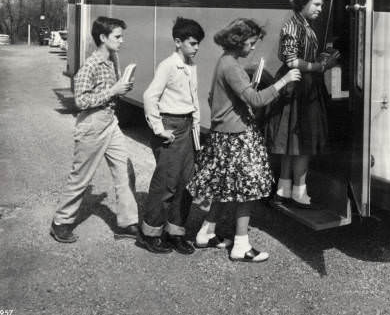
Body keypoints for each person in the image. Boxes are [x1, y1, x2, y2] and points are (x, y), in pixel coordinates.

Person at [187, 18, 300, 262]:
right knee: (247, 192)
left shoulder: (224, 62)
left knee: (223, 189)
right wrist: (284, 80)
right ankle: (241, 246)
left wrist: (228, 110)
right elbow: (256, 100)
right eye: (250, 43)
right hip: (237, 137)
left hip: (222, 134)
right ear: (237, 42)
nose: (253, 47)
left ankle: (206, 233)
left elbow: (211, 97)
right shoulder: (233, 67)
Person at [50, 16, 139, 243]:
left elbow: (110, 92)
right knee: (81, 177)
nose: (122, 40)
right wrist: (113, 91)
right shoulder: (89, 66)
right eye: (117, 36)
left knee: (124, 170)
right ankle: (61, 221)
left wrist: (122, 88)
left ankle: (127, 223)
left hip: (110, 122)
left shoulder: (112, 60)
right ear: (102, 37)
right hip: (91, 125)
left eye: (122, 36)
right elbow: (79, 101)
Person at [266, 0, 340, 208]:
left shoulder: (305, 25)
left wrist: (323, 60)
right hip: (297, 86)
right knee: (302, 142)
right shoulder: (293, 26)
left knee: (292, 143)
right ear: (303, 3)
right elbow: (291, 60)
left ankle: (284, 188)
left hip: (303, 84)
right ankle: (299, 191)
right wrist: (319, 66)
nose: (320, 8)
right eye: (316, 4)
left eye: (322, 4)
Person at [138, 17, 205, 255]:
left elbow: (193, 99)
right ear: (178, 42)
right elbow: (149, 97)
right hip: (170, 126)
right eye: (193, 43)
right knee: (166, 184)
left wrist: (196, 130)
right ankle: (149, 233)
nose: (196, 48)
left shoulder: (191, 66)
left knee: (185, 183)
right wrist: (158, 128)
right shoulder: (168, 65)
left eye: (198, 44)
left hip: (187, 126)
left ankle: (175, 233)